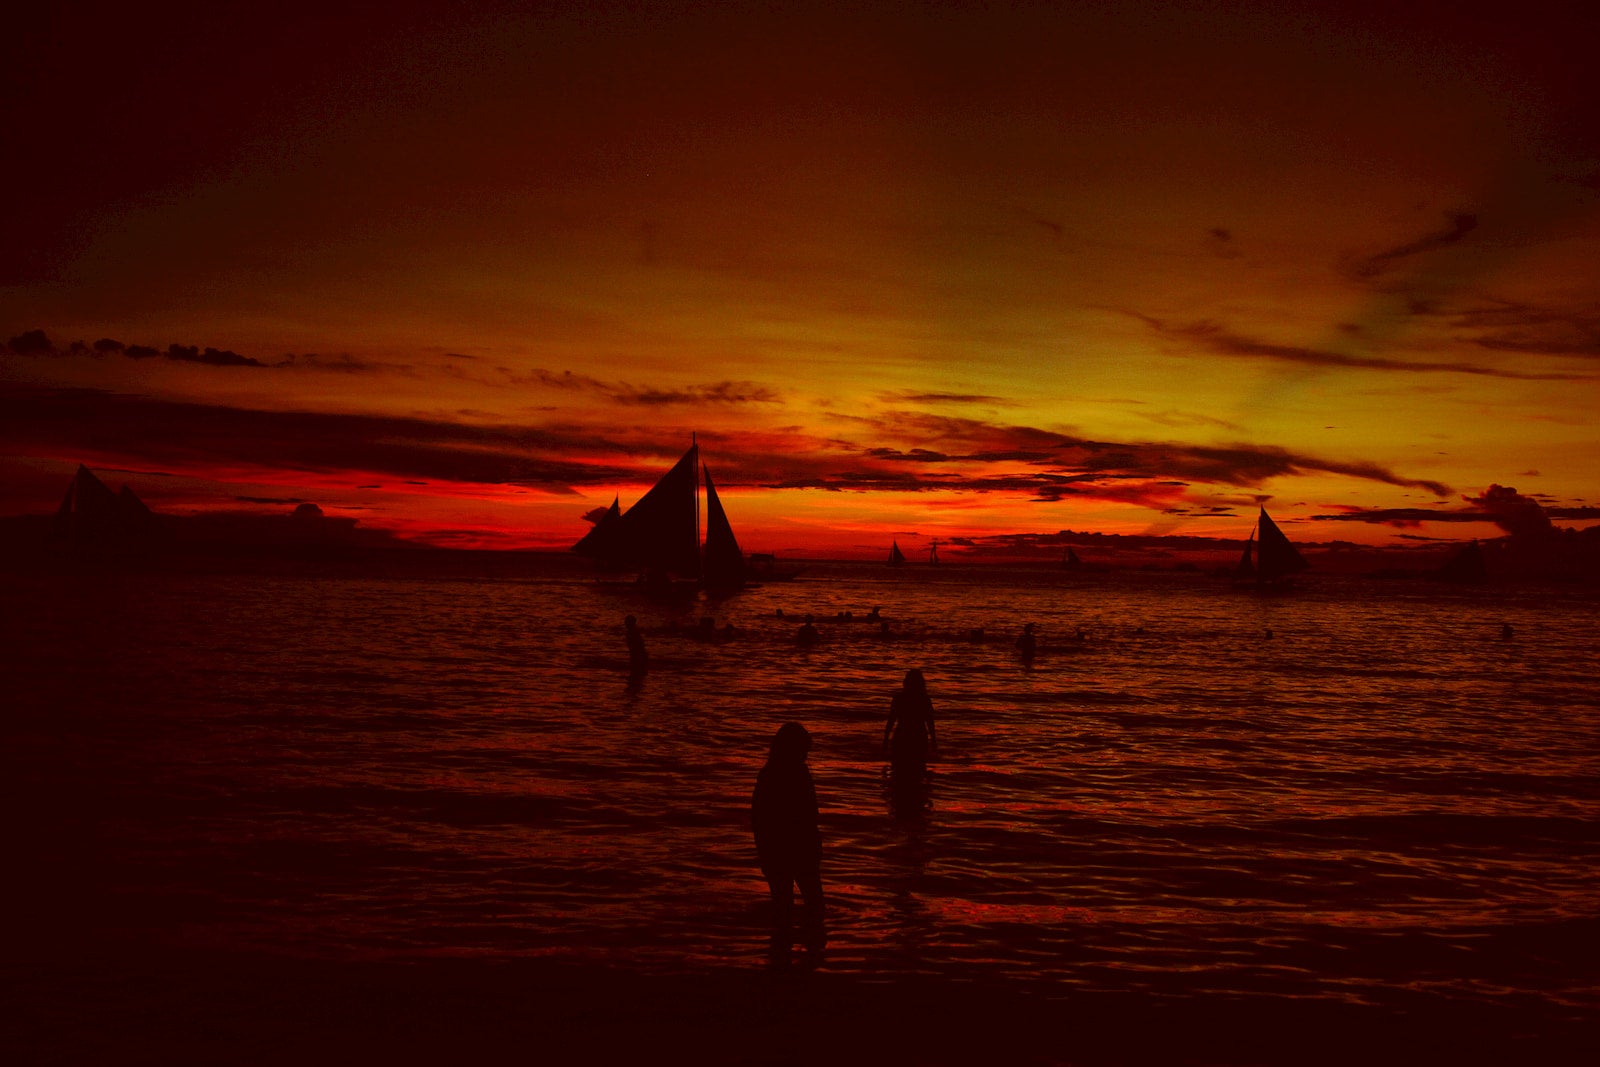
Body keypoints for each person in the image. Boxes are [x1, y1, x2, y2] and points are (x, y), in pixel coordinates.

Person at [751, 722, 826, 962]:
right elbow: (810, 813)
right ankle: (813, 956)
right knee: (814, 903)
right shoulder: (798, 773)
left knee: (782, 904)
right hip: (798, 846)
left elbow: (758, 816)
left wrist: (762, 849)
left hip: (776, 847)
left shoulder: (768, 773)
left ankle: (779, 956)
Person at [884, 668, 936, 767]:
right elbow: (930, 722)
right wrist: (933, 741)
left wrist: (886, 740)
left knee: (898, 771)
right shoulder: (924, 699)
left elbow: (891, 720)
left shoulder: (898, 698)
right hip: (919, 737)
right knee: (918, 770)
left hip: (901, 737)